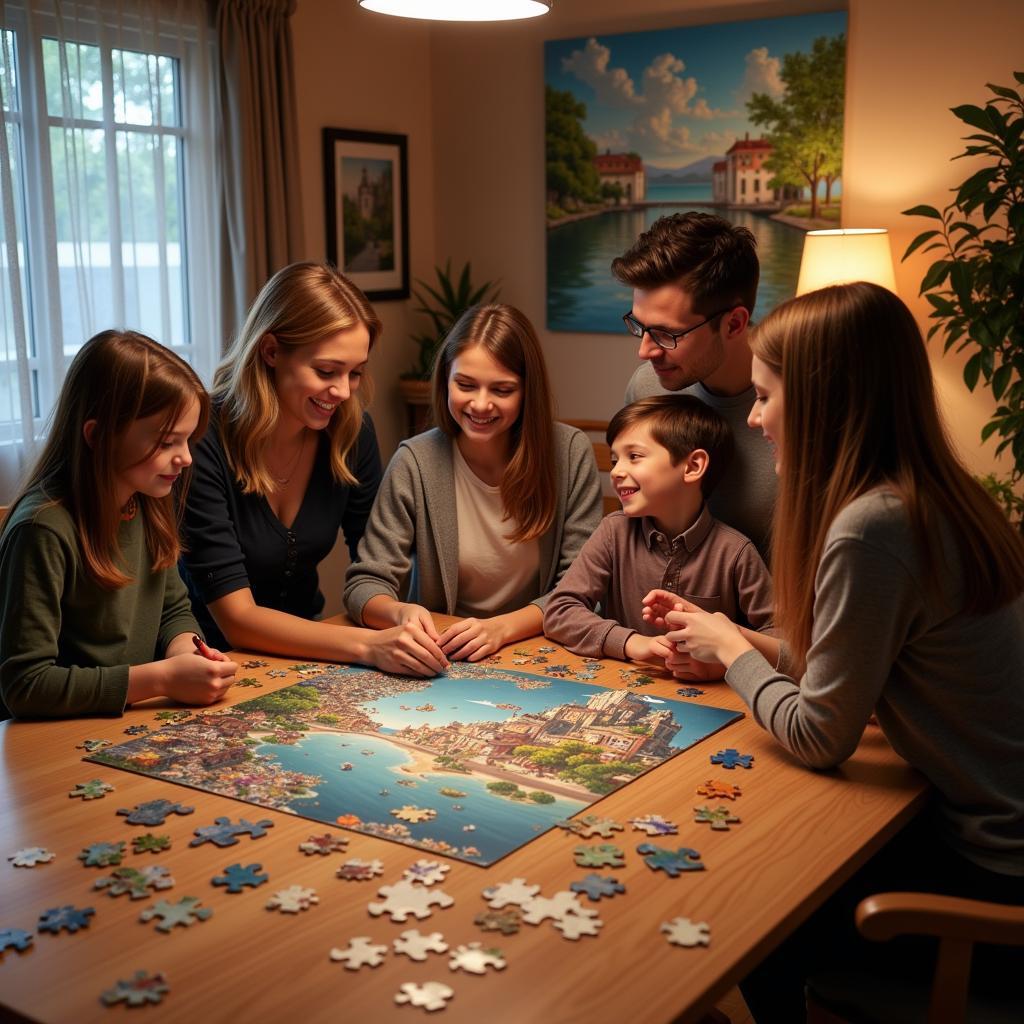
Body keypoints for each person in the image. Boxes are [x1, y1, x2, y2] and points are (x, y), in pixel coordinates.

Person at [649, 282, 1024, 1017]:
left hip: (996, 886)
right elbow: (861, 664)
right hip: (994, 841)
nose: (754, 417)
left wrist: (732, 650)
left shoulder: (871, 529)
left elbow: (821, 735)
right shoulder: (936, 491)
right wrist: (746, 642)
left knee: (746, 908)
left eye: (764, 396)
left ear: (824, 401)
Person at [181, 262, 448, 677]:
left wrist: (398, 612)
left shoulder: (352, 432)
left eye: (355, 372)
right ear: (270, 352)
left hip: (313, 656)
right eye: (326, 371)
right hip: (209, 670)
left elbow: (374, 563)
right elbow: (236, 619)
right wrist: (368, 645)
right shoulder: (201, 438)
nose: (342, 392)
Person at [345, 303, 603, 663]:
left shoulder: (569, 453)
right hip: (445, 656)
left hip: (545, 652)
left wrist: (501, 628)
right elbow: (364, 584)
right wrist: (400, 612)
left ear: (528, 391)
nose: (481, 405)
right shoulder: (415, 462)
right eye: (465, 385)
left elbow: (581, 589)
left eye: (502, 390)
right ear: (444, 379)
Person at [0, 330, 238, 718]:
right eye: (167, 443)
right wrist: (161, 679)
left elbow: (173, 609)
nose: (186, 458)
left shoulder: (146, 500)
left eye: (188, 440)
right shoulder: (42, 529)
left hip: (127, 726)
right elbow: (26, 685)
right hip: (54, 744)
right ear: (98, 435)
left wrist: (188, 654)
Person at [544, 396, 775, 675]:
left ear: (692, 467)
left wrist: (722, 663)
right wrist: (632, 643)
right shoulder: (613, 532)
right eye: (614, 459)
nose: (616, 471)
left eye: (634, 456)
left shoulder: (735, 552)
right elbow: (560, 610)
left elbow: (781, 640)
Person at [614, 212, 776, 557]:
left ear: (734, 324)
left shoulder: (797, 403)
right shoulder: (647, 389)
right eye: (639, 325)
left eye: (667, 334)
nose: (644, 351)